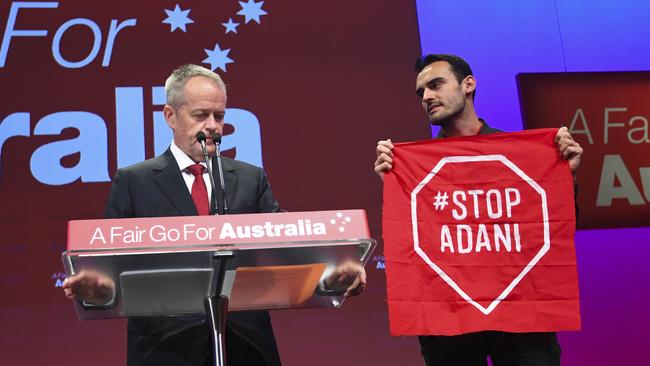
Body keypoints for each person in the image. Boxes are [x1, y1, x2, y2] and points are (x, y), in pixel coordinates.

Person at [63, 64, 365, 366]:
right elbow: (107, 265)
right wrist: (99, 285)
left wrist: (332, 273)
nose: (213, 126)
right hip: (165, 349)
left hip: (247, 346)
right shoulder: (133, 182)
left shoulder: (250, 179)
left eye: (219, 116)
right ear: (170, 116)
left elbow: (288, 248)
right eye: (200, 115)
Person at [373, 54, 583, 366]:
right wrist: (395, 185)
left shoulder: (522, 155)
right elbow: (415, 244)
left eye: (436, 85)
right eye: (421, 92)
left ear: (468, 84)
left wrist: (566, 178)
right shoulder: (413, 168)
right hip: (449, 327)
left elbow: (552, 234)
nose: (427, 96)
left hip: (522, 323)